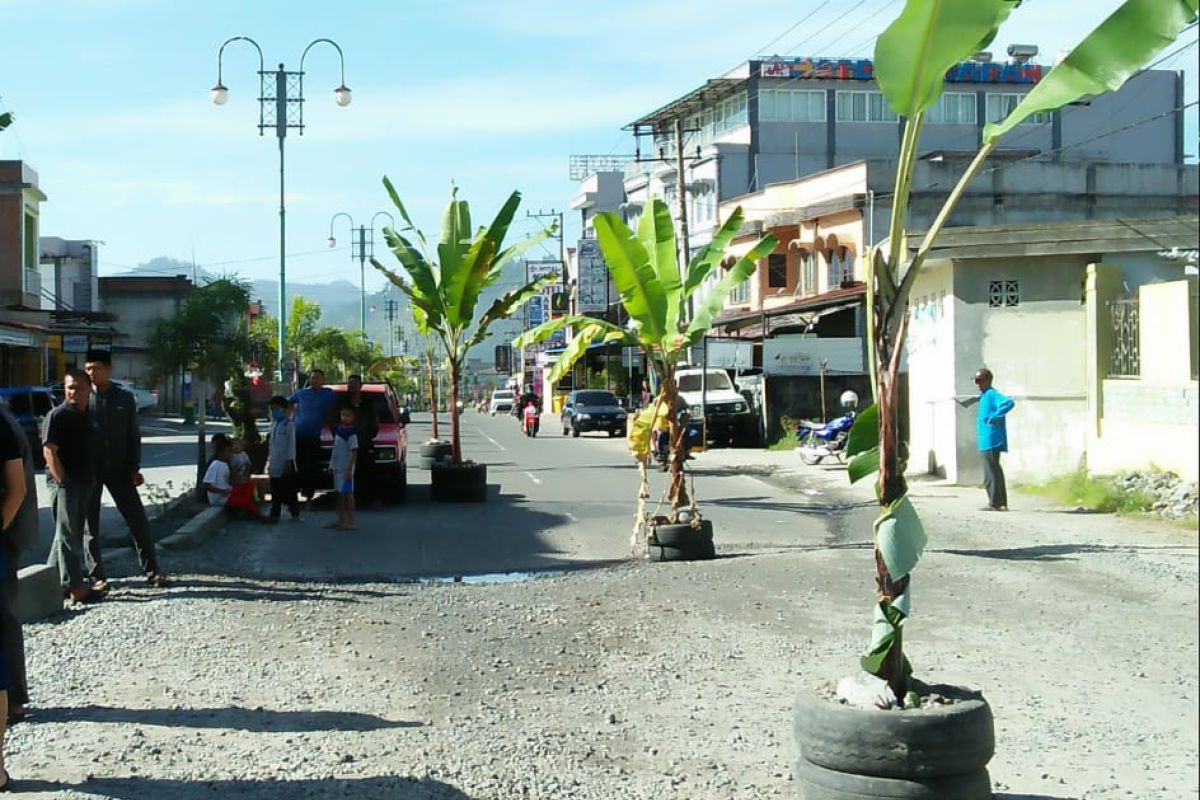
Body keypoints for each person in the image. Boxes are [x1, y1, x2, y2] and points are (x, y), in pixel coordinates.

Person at [82, 349, 168, 590]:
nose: (91, 373)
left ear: (108, 369)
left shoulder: (124, 398)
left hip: (120, 469)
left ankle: (153, 571)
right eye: (88, 368)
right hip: (91, 471)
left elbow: (133, 435)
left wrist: (135, 466)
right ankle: (96, 576)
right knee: (90, 526)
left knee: (138, 520)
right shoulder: (83, 397)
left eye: (96, 368)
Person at [42, 369, 103, 604]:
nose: (73, 391)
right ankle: (76, 587)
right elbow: (49, 451)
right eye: (69, 387)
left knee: (65, 536)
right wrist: (63, 482)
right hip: (65, 484)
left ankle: (49, 586)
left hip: (85, 482)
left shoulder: (89, 415)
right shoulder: (57, 415)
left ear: (90, 388)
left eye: (78, 386)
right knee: (69, 537)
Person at [0, 405, 36, 728]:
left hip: (4, 543)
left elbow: (17, 490)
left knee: (4, 619)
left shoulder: (3, 422)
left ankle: (13, 700)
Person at [290, 369, 337, 505]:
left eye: (317, 378)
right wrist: (291, 417)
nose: (314, 380)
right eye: (312, 378)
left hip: (314, 436)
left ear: (323, 380)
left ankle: (309, 496)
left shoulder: (328, 394)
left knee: (311, 466)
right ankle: (296, 494)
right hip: (298, 434)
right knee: (298, 464)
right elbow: (286, 403)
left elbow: (335, 409)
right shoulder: (301, 393)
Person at [973, 368, 1015, 511]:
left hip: (991, 439)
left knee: (991, 473)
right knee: (992, 471)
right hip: (985, 439)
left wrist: (996, 416)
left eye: (979, 380)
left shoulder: (991, 394)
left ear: (987, 381)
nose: (977, 384)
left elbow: (1008, 403)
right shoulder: (984, 395)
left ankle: (995, 503)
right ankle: (1000, 502)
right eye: (975, 381)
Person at [337, 375, 380, 510]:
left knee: (369, 472)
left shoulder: (368, 402)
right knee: (347, 473)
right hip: (346, 444)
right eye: (350, 384)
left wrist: (369, 434)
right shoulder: (342, 402)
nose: (352, 387)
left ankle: (372, 500)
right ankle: (349, 503)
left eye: (355, 384)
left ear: (360, 385)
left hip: (364, 442)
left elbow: (374, 421)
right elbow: (334, 420)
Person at [203, 438, 265, 521]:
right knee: (245, 500)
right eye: (229, 451)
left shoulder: (225, 464)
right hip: (220, 498)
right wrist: (221, 491)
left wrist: (237, 478)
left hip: (228, 491)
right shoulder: (215, 465)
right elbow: (206, 485)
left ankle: (245, 509)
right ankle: (258, 516)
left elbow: (229, 480)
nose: (231, 454)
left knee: (250, 484)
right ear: (221, 452)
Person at [266, 396, 300, 523]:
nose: (274, 411)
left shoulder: (289, 425)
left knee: (289, 490)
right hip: (275, 461)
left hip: (286, 462)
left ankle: (295, 513)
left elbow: (291, 444)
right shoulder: (274, 424)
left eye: (276, 409)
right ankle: (275, 514)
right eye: (272, 409)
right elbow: (271, 444)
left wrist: (289, 460)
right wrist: (268, 460)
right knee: (275, 490)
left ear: (284, 409)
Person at [329, 407, 358, 531]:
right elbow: (335, 449)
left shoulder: (351, 433)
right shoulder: (339, 431)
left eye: (347, 415)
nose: (344, 417)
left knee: (347, 495)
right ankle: (341, 519)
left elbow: (354, 452)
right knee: (339, 495)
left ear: (353, 418)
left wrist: (349, 469)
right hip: (337, 467)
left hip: (346, 470)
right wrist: (331, 464)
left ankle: (350, 522)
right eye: (342, 415)